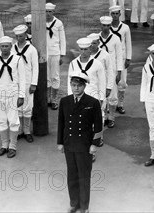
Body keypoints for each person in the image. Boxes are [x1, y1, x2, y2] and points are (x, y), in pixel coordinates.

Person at [57, 72, 103, 213]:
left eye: (78, 86)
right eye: (73, 85)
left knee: (84, 176)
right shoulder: (65, 101)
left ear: (84, 86)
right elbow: (61, 123)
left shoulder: (92, 103)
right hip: (69, 143)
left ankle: (84, 206)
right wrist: (60, 142)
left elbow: (98, 126)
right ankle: (74, 203)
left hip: (84, 146)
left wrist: (94, 144)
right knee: (72, 175)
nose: (75, 88)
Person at [0, 36, 25, 158]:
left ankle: (13, 146)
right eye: (2, 46)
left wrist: (21, 95)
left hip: (12, 93)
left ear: (11, 46)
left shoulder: (17, 59)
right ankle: (4, 145)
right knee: (1, 120)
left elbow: (22, 79)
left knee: (13, 121)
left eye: (7, 46)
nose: (4, 48)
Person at [12, 25, 38, 141]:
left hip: (28, 80)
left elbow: (35, 67)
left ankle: (27, 130)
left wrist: (34, 83)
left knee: (27, 106)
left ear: (25, 35)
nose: (19, 38)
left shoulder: (31, 49)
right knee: (17, 106)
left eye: (21, 36)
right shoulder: (13, 49)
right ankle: (19, 130)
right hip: (16, 81)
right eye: (17, 36)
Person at [110, 5, 132, 114]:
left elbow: (128, 43)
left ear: (120, 14)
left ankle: (121, 104)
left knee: (122, 82)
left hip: (122, 58)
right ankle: (111, 104)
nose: (115, 16)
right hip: (110, 58)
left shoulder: (125, 28)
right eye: (113, 14)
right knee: (111, 81)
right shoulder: (107, 27)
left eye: (116, 13)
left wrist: (128, 58)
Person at [45, 2, 66, 110]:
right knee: (47, 77)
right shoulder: (41, 23)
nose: (48, 14)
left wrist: (62, 54)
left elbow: (62, 39)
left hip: (55, 52)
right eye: (46, 12)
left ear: (53, 12)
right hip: (45, 53)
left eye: (50, 12)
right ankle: (47, 99)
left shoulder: (58, 23)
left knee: (55, 76)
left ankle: (54, 99)